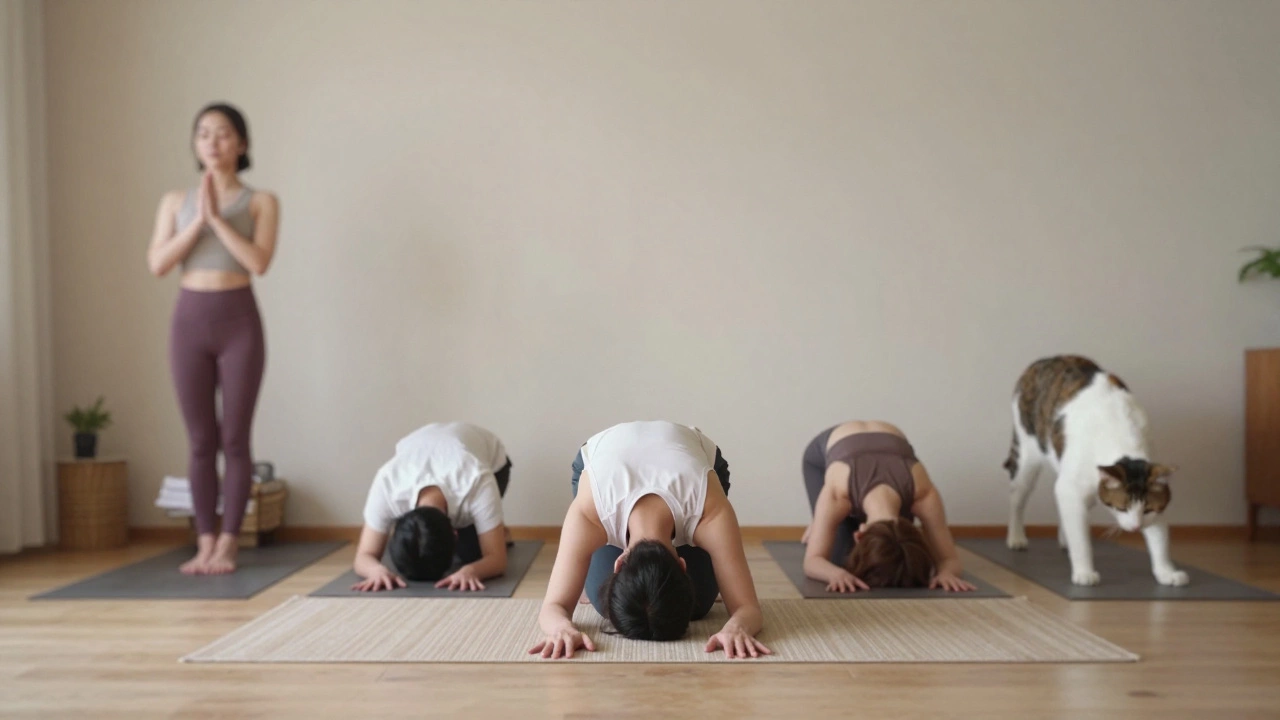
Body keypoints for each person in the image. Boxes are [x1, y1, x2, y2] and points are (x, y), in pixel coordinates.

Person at [146, 102, 280, 575]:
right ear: (195, 144)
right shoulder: (173, 202)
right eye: (203, 134)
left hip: (238, 321)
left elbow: (258, 262)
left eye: (223, 134)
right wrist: (198, 220)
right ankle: (203, 542)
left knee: (236, 439)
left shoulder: (260, 201)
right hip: (189, 322)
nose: (212, 142)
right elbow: (158, 263)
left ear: (241, 144)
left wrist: (218, 219)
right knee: (201, 440)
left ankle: (228, 544)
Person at [531, 420, 770, 660]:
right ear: (682, 565)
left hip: (701, 464)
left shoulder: (710, 513)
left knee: (685, 607)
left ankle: (586, 569)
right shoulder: (590, 512)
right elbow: (553, 606)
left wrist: (736, 626)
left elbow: (747, 608)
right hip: (598, 460)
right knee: (615, 604)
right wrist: (561, 628)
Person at [800, 420, 976, 592]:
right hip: (822, 456)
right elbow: (812, 561)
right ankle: (820, 518)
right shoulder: (838, 494)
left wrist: (946, 573)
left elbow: (949, 559)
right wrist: (836, 574)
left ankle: (824, 521)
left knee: (899, 555)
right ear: (859, 535)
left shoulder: (923, 495)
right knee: (839, 558)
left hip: (882, 443)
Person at [352, 422, 512, 592]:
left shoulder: (477, 481)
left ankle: (499, 530)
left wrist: (470, 570)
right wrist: (375, 570)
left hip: (494, 463)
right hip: (425, 445)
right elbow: (363, 555)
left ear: (454, 533)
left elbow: (497, 560)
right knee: (415, 549)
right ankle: (490, 525)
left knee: (471, 554)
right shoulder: (387, 484)